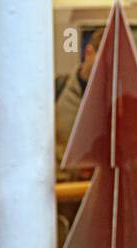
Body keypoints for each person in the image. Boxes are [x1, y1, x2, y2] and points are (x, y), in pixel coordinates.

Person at [55, 28, 103, 167]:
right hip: (63, 183)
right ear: (89, 52)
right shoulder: (58, 88)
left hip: (98, 182)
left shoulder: (115, 99)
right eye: (103, 61)